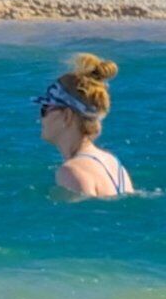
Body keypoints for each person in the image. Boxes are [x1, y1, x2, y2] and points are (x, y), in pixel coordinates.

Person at [37, 54, 133, 199]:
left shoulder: (71, 171)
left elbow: (79, 220)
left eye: (44, 109)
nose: (40, 118)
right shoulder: (113, 163)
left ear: (67, 115)